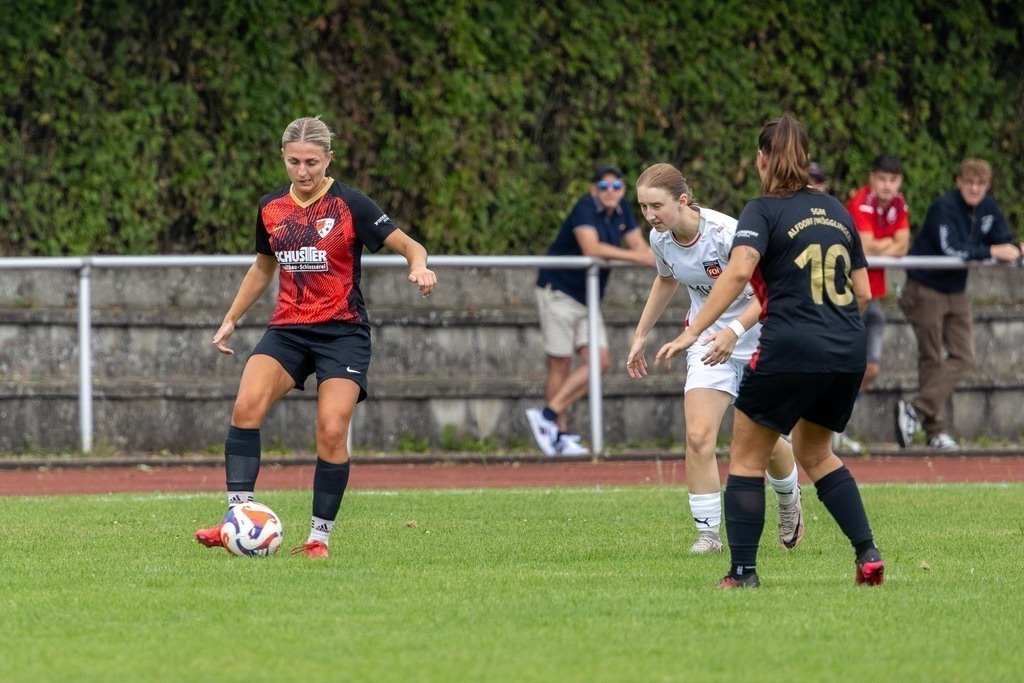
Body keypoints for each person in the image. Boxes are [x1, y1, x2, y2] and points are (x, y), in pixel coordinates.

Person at [195, 116, 437, 558]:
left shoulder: (351, 204)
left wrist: (418, 267)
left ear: (329, 159)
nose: (302, 171)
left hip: (342, 333)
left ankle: (317, 540)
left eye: (311, 162)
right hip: (288, 330)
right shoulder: (271, 207)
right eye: (294, 162)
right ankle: (238, 520)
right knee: (246, 406)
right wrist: (231, 318)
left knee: (331, 430)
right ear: (283, 158)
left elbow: (410, 245)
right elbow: (263, 267)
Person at [659, 115, 884, 588]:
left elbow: (739, 274)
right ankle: (867, 554)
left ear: (762, 158)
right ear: (806, 158)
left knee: (745, 457)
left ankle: (742, 573)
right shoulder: (838, 211)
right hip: (846, 348)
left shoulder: (762, 210)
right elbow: (863, 292)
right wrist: (831, 329)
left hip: (791, 345)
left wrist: (693, 331)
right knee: (816, 453)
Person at [625, 163, 804, 554]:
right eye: (643, 207)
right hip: (707, 344)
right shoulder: (660, 239)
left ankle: (789, 500)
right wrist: (640, 335)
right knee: (698, 436)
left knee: (764, 441)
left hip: (759, 342)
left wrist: (733, 331)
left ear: (682, 200)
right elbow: (667, 279)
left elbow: (770, 292)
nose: (650, 215)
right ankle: (708, 535)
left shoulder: (727, 234)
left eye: (657, 205)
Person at [525, 165, 655, 456]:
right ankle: (558, 435)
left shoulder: (622, 209)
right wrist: (636, 257)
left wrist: (656, 258)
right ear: (594, 189)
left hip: (588, 298)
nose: (610, 192)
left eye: (616, 186)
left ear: (623, 189)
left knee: (600, 361)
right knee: (560, 363)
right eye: (604, 187)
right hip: (559, 291)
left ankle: (547, 416)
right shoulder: (585, 206)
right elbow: (591, 248)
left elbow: (640, 246)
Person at [895, 158, 1022, 450]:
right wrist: (992, 251)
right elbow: (950, 248)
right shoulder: (943, 207)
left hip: (956, 290)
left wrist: (1016, 249)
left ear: (988, 186)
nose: (975, 188)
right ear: (959, 182)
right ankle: (935, 431)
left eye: (981, 183)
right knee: (930, 358)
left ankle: (914, 409)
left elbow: (1003, 240)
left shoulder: (989, 208)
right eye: (969, 182)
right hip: (925, 287)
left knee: (964, 356)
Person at [837, 154, 911, 452]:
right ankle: (820, 425)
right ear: (871, 178)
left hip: (873, 296)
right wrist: (888, 243)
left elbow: (903, 246)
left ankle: (837, 423)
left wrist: (882, 245)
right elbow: (865, 247)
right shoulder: (861, 202)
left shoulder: (899, 203)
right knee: (839, 365)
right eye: (881, 178)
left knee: (871, 369)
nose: (887, 185)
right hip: (849, 293)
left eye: (893, 179)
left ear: (900, 181)